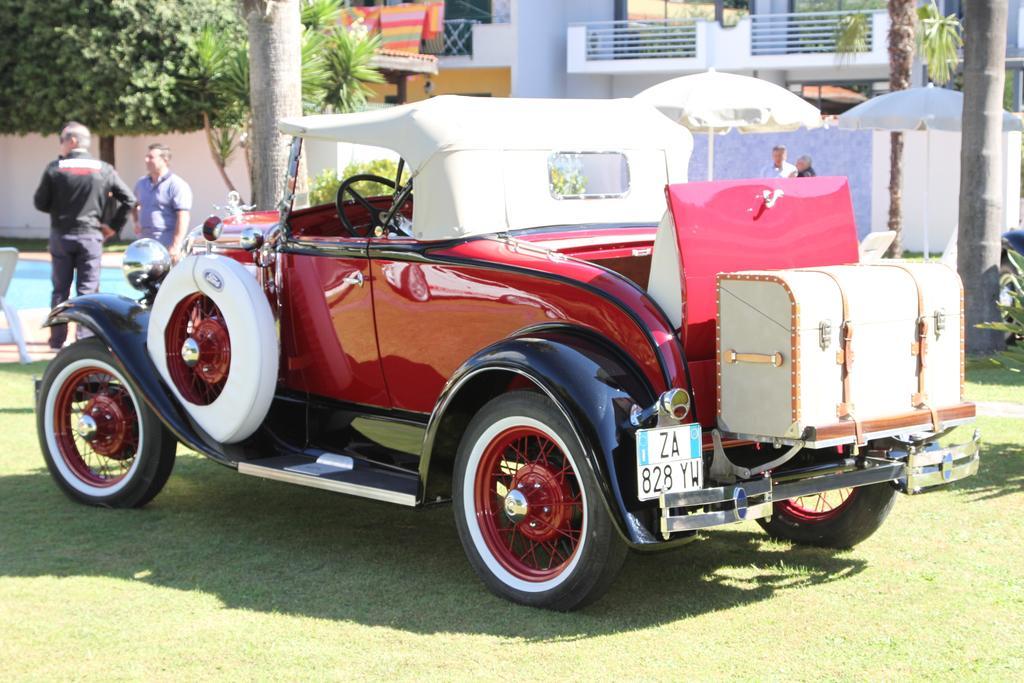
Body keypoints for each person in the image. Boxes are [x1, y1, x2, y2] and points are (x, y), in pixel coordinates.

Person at [33, 122, 135, 350]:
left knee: (60, 289)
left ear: (73, 141)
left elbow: (40, 202)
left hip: (62, 235)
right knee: (88, 291)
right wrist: (112, 226)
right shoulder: (104, 169)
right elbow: (128, 199)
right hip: (91, 237)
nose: (60, 144)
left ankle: (57, 340)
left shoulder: (55, 168)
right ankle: (86, 338)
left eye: (62, 139)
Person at [133, 143, 193, 262]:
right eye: (146, 157)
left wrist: (175, 246)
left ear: (164, 160)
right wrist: (136, 221)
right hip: (145, 246)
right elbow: (133, 204)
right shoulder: (141, 183)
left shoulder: (176, 185)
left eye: (151, 157)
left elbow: (183, 216)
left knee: (168, 280)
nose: (146, 160)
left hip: (167, 245)